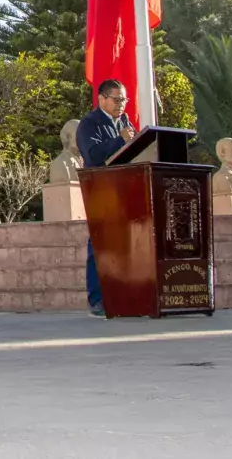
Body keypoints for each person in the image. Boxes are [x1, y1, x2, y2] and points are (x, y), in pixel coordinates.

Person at [75, 79, 135, 318]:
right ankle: (97, 299)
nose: (122, 104)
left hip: (125, 188)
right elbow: (92, 155)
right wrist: (121, 139)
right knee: (99, 244)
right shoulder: (89, 124)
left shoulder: (125, 122)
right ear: (101, 99)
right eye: (117, 99)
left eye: (124, 100)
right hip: (100, 189)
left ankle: (125, 295)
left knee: (124, 246)